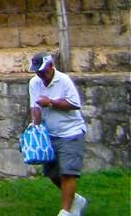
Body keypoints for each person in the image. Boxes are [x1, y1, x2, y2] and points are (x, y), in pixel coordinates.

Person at [28, 53, 89, 216]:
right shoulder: (34, 83)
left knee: (67, 172)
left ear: (51, 65)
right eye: (37, 72)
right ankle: (75, 200)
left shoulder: (63, 80)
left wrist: (51, 102)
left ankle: (65, 212)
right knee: (52, 174)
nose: (40, 75)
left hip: (71, 132)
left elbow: (75, 104)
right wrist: (35, 127)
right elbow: (35, 107)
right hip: (50, 134)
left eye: (42, 71)